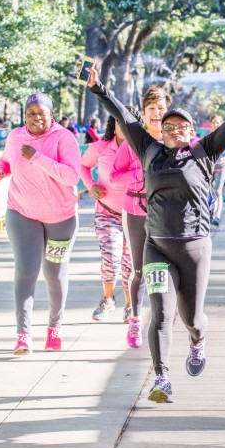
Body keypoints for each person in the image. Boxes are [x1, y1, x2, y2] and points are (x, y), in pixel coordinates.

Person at [88, 65, 225, 403]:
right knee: (162, 314)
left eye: (183, 126)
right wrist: (98, 87)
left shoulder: (205, 150)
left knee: (191, 318)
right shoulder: (148, 150)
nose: (176, 131)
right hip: (157, 248)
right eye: (170, 126)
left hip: (195, 247)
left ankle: (197, 341)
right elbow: (122, 115)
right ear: (161, 130)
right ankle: (162, 377)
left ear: (192, 130)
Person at [0, 92, 82, 355]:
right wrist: (0, 171)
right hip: (22, 212)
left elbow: (71, 176)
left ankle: (55, 327)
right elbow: (7, 161)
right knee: (26, 271)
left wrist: (37, 157)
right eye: (31, 113)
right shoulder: (16, 136)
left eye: (42, 113)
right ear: (25, 115)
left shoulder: (64, 137)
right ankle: (23, 334)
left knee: (54, 274)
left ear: (51, 114)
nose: (36, 118)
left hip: (60, 217)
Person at [110, 86, 172, 348]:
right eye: (151, 109)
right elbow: (113, 177)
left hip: (167, 212)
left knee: (164, 270)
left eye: (161, 109)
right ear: (144, 113)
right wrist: (141, 175)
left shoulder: (176, 139)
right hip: (135, 209)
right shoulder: (134, 141)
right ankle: (135, 320)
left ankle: (162, 320)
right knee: (138, 269)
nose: (157, 114)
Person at [80, 110, 141, 323]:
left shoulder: (141, 148)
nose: (123, 126)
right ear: (112, 123)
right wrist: (91, 185)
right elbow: (83, 166)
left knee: (130, 264)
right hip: (107, 213)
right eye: (119, 121)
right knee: (111, 257)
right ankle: (107, 300)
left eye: (128, 122)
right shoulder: (101, 147)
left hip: (134, 215)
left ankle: (129, 305)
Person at [209, 114, 225, 226]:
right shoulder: (207, 136)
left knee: (218, 190)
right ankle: (209, 213)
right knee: (208, 191)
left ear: (221, 124)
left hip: (221, 165)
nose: (216, 124)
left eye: (218, 122)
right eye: (214, 122)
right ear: (211, 123)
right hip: (209, 166)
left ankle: (217, 216)